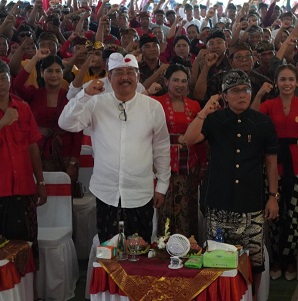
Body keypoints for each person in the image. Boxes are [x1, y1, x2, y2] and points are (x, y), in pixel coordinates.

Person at [184, 69, 279, 299]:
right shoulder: (214, 120)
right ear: (224, 95)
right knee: (218, 259)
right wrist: (204, 112)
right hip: (219, 201)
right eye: (235, 91)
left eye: (246, 89)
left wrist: (273, 196)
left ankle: (253, 297)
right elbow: (189, 139)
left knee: (254, 262)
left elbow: (271, 162)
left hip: (252, 202)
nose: (242, 95)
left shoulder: (263, 123)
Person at [58, 53, 171, 244]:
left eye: (130, 72)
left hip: (140, 192)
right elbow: (66, 123)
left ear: (138, 77)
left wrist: (162, 186)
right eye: (118, 72)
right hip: (106, 192)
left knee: (139, 250)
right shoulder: (95, 102)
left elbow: (161, 148)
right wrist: (84, 95)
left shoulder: (153, 107)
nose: (125, 77)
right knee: (109, 251)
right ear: (109, 78)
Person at [253, 65, 298, 281]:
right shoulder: (269, 105)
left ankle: (289, 259)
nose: (287, 83)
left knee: (295, 214)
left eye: (291, 79)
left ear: (297, 82)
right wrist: (260, 94)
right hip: (273, 165)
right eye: (283, 79)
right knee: (274, 212)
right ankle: (277, 258)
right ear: (276, 82)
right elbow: (252, 120)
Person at [0, 59, 46, 267]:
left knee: (27, 246)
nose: (0, 83)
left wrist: (41, 182)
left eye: (3, 78)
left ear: (10, 80)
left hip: (24, 187)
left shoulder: (23, 107)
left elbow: (32, 147)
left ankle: (29, 294)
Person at [152, 64, 206, 239]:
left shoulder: (195, 105)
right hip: (162, 164)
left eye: (184, 81)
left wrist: (203, 164)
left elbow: (200, 137)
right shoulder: (155, 103)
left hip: (189, 165)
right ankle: (163, 252)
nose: (180, 84)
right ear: (166, 81)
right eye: (175, 80)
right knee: (164, 209)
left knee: (188, 210)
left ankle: (188, 252)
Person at [12, 49, 82, 183]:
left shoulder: (70, 97)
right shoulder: (34, 93)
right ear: (42, 73)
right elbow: (17, 84)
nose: (54, 75)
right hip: (38, 154)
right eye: (49, 71)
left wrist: (74, 162)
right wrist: (35, 58)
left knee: (63, 200)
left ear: (63, 73)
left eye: (58, 71)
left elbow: (77, 132)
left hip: (65, 156)